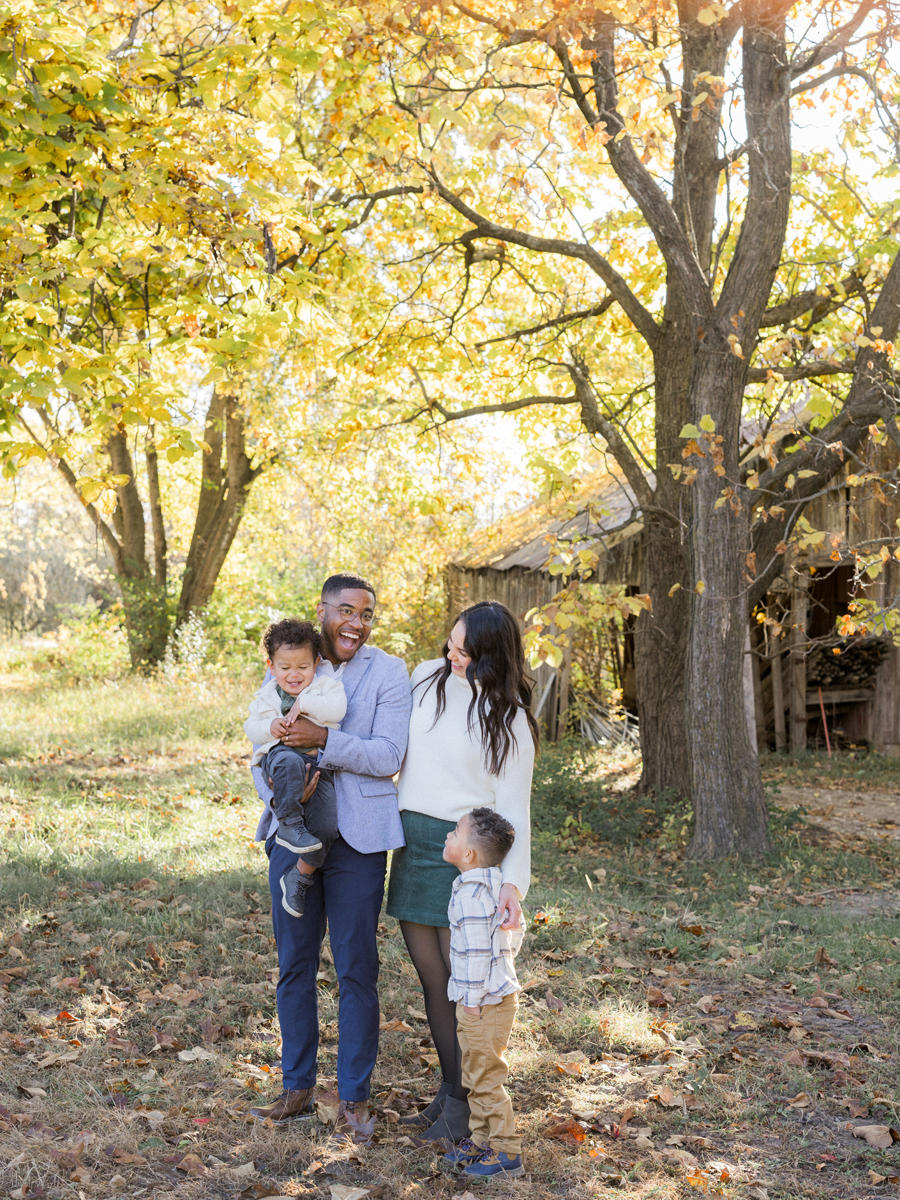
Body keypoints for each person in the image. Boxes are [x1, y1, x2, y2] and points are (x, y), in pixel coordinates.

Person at [247, 573, 412, 1141]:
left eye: (366, 614)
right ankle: (295, 1086)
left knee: (356, 969)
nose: (356, 623)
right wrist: (283, 800)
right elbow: (259, 747)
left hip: (359, 840)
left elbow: (388, 753)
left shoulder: (388, 672)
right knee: (294, 964)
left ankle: (354, 1098)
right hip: (292, 838)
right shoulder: (291, 661)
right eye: (345, 610)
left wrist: (322, 742)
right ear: (323, 611)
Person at [386, 599, 537, 1144]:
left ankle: (467, 1105)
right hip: (416, 844)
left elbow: (515, 809)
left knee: (464, 987)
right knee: (433, 979)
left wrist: (513, 886)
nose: (452, 657)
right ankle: (451, 1092)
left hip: (467, 857)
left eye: (466, 653)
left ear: (492, 659)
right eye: (450, 645)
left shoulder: (510, 719)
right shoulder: (426, 676)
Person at [440, 807, 525, 1180]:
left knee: (486, 1076)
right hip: (489, 998)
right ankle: (481, 1138)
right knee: (475, 1072)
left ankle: (507, 1151)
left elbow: (475, 954)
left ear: (469, 854)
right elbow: (510, 938)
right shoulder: (493, 886)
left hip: (482, 1003)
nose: (448, 835)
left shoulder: (472, 896)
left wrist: (471, 1002)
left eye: (455, 832)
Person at [243, 619, 346, 919]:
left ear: (316, 663)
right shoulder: (266, 695)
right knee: (287, 760)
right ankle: (288, 823)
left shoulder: (326, 687)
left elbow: (337, 710)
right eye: (285, 667)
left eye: (302, 666)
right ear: (271, 666)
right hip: (279, 758)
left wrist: (304, 703)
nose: (294, 674)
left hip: (318, 765)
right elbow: (251, 728)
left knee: (326, 828)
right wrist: (269, 727)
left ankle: (299, 875)